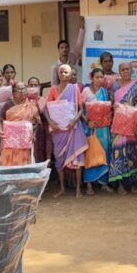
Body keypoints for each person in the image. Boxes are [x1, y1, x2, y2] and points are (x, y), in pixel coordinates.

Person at [46, 64, 88, 198]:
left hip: (72, 128)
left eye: (66, 72)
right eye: (61, 72)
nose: (63, 74)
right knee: (59, 159)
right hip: (58, 129)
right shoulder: (53, 89)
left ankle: (78, 190)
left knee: (76, 157)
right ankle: (62, 188)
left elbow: (80, 108)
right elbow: (46, 108)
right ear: (58, 75)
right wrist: (50, 122)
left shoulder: (75, 89)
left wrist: (74, 120)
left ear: (70, 75)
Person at [110, 62, 137, 193]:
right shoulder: (115, 85)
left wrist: (132, 111)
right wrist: (114, 106)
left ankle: (133, 183)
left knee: (132, 153)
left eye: (127, 69)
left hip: (131, 124)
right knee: (117, 153)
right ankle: (120, 184)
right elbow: (111, 102)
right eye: (122, 69)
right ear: (119, 71)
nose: (125, 71)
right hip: (118, 124)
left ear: (131, 70)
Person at [81, 69, 112, 193]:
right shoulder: (85, 91)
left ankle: (103, 183)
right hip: (90, 129)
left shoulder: (105, 91)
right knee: (90, 153)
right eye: (97, 77)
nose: (99, 80)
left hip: (103, 129)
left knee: (104, 152)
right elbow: (80, 109)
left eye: (101, 77)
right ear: (91, 78)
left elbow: (108, 110)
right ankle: (89, 184)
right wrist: (87, 121)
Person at [0, 82, 40, 166]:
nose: (22, 91)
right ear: (13, 92)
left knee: (25, 165)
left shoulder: (32, 105)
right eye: (19, 89)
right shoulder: (8, 104)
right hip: (10, 142)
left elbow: (37, 122)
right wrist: (0, 131)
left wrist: (34, 134)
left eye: (24, 89)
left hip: (25, 142)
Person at [28, 77, 52, 164]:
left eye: (35, 85)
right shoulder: (24, 101)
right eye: (31, 85)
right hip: (28, 130)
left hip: (41, 131)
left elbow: (47, 117)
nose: (33, 87)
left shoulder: (43, 100)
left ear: (39, 87)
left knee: (40, 151)